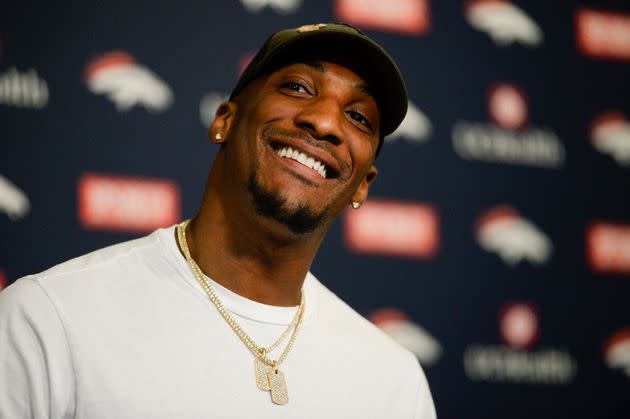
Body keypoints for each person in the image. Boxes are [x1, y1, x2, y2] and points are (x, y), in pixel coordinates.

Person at [0, 23, 436, 418]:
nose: (324, 122)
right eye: (299, 87)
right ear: (224, 121)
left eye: (358, 116)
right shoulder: (48, 318)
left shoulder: (395, 383)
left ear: (364, 184)